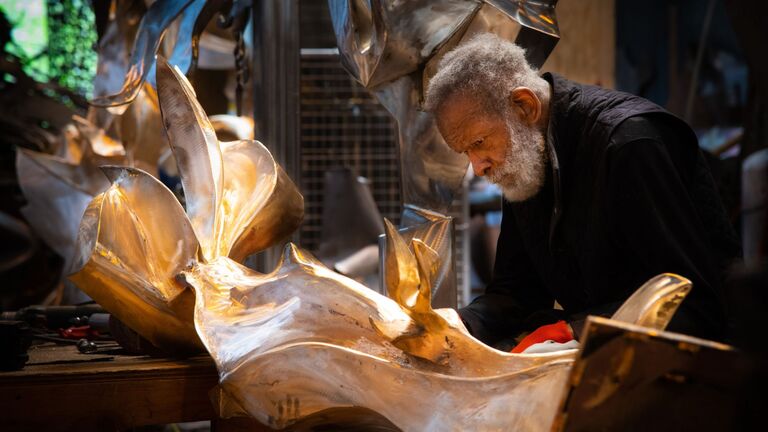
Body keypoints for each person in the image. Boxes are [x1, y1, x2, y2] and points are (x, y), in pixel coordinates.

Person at [424, 33, 742, 347]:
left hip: (696, 366)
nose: (478, 167)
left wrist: (575, 330)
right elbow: (516, 294)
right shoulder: (526, 158)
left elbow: (692, 302)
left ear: (524, 106)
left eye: (479, 143)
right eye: (466, 151)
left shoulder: (629, 144)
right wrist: (454, 325)